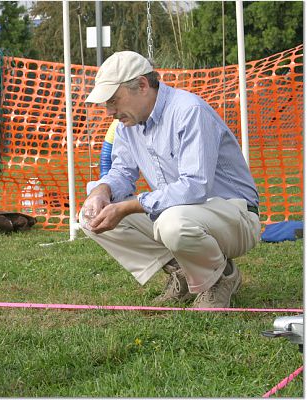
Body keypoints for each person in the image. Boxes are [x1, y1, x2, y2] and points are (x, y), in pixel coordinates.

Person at [80, 51, 261, 308]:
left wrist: (127, 206)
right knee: (90, 216)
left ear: (142, 85)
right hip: (183, 214)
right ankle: (185, 272)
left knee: (172, 223)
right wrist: (101, 191)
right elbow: (122, 171)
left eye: (113, 100)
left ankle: (221, 278)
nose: (110, 111)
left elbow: (194, 187)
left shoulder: (189, 110)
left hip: (237, 216)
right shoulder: (126, 126)